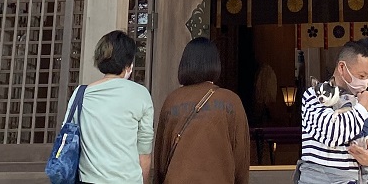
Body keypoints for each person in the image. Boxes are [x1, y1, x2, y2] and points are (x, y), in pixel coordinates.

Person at [152, 37, 250, 184]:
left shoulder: (171, 101)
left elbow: (161, 156)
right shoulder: (231, 101)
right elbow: (241, 158)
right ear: (215, 64)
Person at [297, 41, 368, 183]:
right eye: (362, 75)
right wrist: (362, 108)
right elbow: (333, 134)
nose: (365, 82)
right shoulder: (315, 95)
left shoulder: (361, 100)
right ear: (342, 67)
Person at [78, 30, 155, 184]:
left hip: (89, 179)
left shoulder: (81, 94)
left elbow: (70, 139)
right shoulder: (141, 95)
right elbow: (144, 151)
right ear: (128, 63)